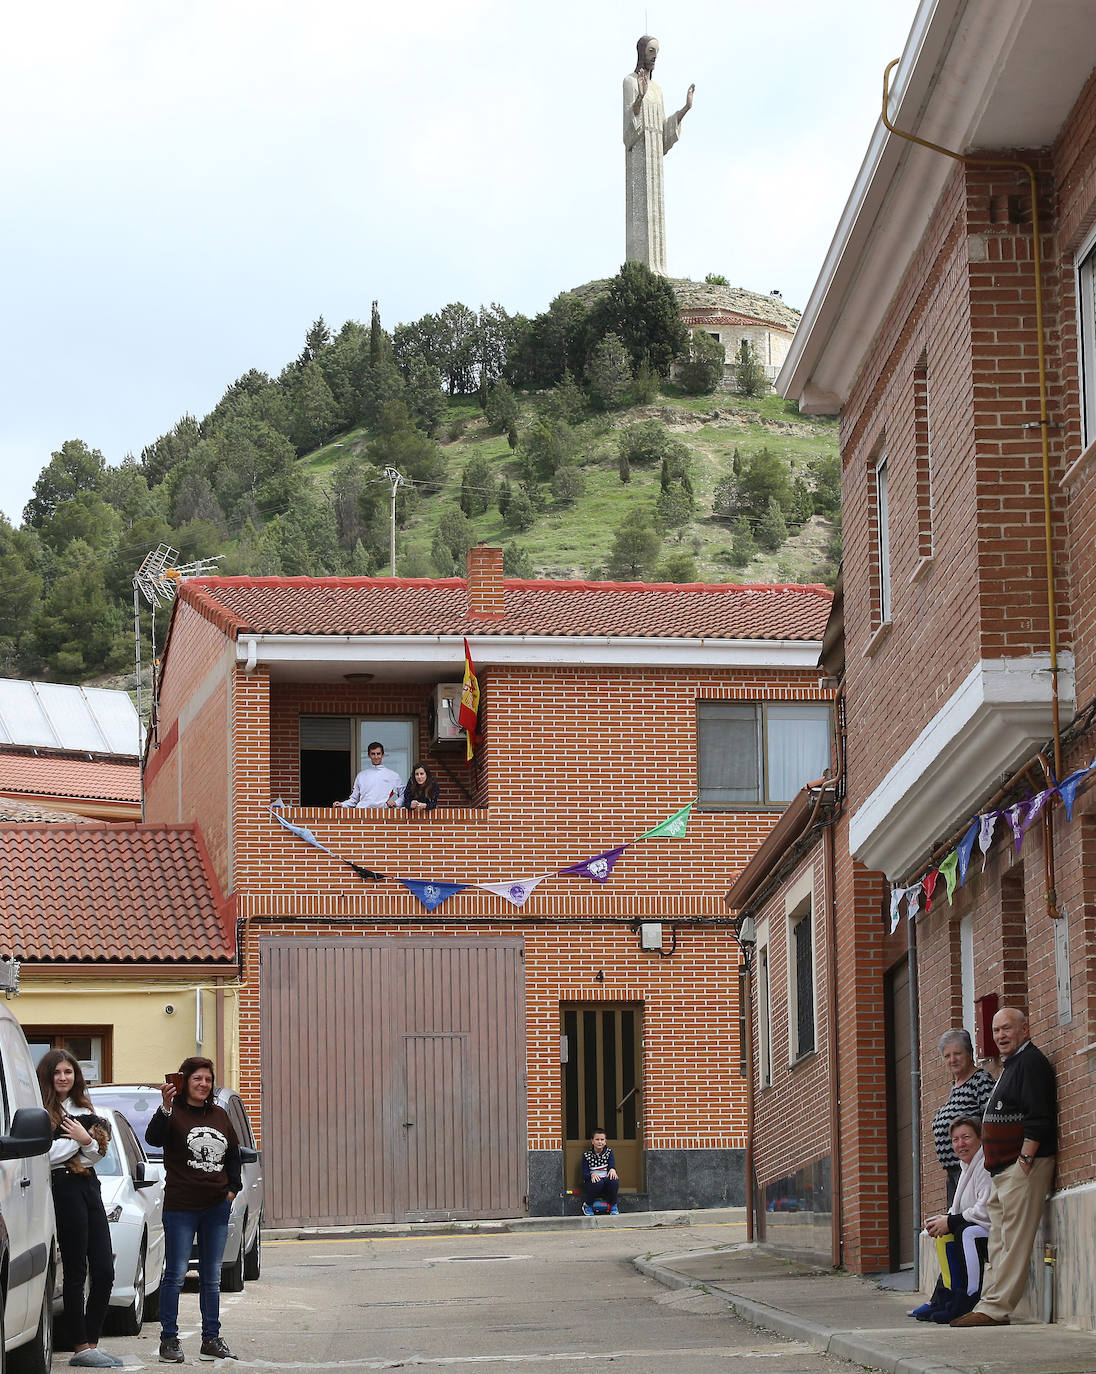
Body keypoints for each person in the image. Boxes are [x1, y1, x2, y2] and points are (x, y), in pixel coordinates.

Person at [951, 1006, 1057, 1327]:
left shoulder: (1031, 1063)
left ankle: (996, 1310)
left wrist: (1025, 1160)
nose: (1001, 1036)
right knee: (998, 1241)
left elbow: (1038, 1116)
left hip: (1022, 1168)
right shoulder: (1011, 1065)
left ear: (1025, 1029)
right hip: (1002, 1171)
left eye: (1007, 1029)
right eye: (996, 1031)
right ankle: (988, 1301)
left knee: (1013, 1242)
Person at [146, 1057, 242, 1362]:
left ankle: (211, 1339)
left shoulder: (219, 1114)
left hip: (216, 1207)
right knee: (175, 1274)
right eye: (197, 1078)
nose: (203, 1084)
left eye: (208, 1079)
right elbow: (153, 1139)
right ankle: (169, 1341)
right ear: (184, 1081)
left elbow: (234, 1154)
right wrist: (164, 1107)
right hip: (181, 1207)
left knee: (211, 1276)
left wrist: (232, 1189)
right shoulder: (172, 1113)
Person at [37, 1050, 120, 1368]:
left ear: (76, 1076)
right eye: (57, 1072)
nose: (63, 1077)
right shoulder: (40, 1112)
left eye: (68, 1072)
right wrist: (83, 1141)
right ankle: (80, 1346)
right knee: (76, 1270)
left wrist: (85, 1141)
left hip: (89, 1186)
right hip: (63, 1188)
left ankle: (92, 1343)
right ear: (48, 1075)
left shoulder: (86, 1108)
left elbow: (99, 1153)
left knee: (104, 1269)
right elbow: (47, 1153)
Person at [909, 1115, 991, 1323]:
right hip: (978, 1227)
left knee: (966, 1232)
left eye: (966, 1137)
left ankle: (969, 1297)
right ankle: (948, 1295)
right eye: (955, 1139)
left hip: (994, 1230)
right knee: (944, 1236)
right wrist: (939, 1224)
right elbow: (956, 1211)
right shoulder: (966, 1168)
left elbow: (985, 1211)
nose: (960, 1144)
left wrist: (951, 1222)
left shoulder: (985, 1165)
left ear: (980, 1138)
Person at [623, 36, 694, 276]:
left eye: (657, 52)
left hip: (654, 153)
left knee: (656, 208)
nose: (655, 56)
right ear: (641, 52)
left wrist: (684, 109)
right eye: (651, 51)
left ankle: (658, 270)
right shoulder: (630, 82)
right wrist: (639, 98)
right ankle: (639, 271)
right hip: (639, 152)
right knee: (640, 205)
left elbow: (664, 132)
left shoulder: (659, 90)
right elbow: (629, 125)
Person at [931, 1029, 995, 1204]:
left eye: (957, 1053)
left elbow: (992, 1121)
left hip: (974, 1170)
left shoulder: (980, 1080)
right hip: (955, 1171)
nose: (952, 1060)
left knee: (966, 1222)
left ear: (970, 1053)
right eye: (947, 1056)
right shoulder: (956, 1086)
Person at [337, 741, 403, 808]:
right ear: (369, 755)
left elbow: (403, 794)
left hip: (382, 814)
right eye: (373, 754)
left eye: (378, 754)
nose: (376, 757)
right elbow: (354, 799)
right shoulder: (361, 775)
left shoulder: (393, 775)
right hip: (362, 813)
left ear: (383, 755)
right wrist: (342, 804)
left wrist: (396, 803)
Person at [581, 1128, 620, 1215]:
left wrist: (612, 1169)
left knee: (614, 1181)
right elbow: (585, 1173)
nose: (600, 1142)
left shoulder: (609, 1153)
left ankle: (613, 1204)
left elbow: (611, 1164)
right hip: (593, 1183)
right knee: (597, 1182)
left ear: (605, 1141)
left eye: (602, 1140)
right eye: (597, 1139)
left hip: (605, 1181)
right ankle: (588, 1205)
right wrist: (591, 1175)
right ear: (592, 1141)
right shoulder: (587, 1155)